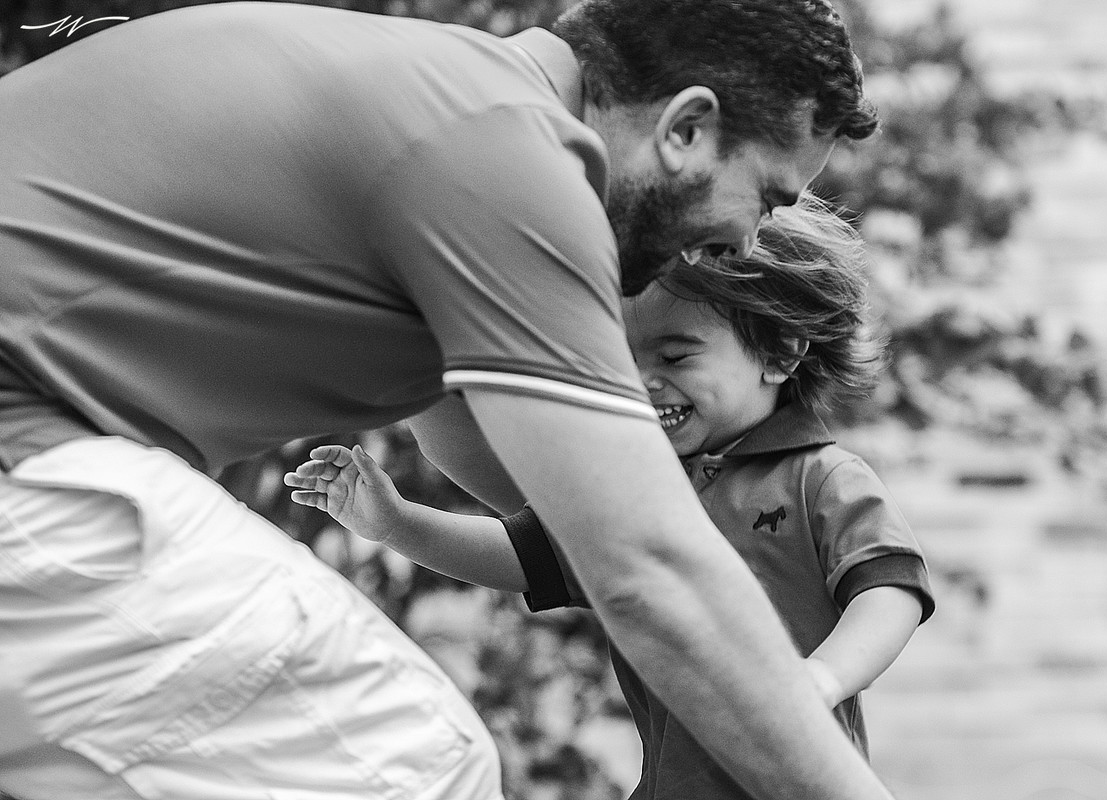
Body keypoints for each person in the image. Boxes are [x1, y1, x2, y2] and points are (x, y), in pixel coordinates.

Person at [0, 1, 891, 798]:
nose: (746, 242)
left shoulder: (446, 99)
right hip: (26, 453)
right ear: (686, 128)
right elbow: (647, 568)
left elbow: (519, 477)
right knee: (413, 764)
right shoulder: (507, 152)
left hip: (38, 480)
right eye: (768, 197)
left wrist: (648, 530)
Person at [289, 205, 936, 799]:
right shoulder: (638, 487)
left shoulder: (820, 477)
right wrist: (397, 523)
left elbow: (889, 592)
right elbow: (523, 556)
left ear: (780, 352)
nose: (647, 381)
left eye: (677, 354)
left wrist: (824, 677)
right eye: (623, 359)